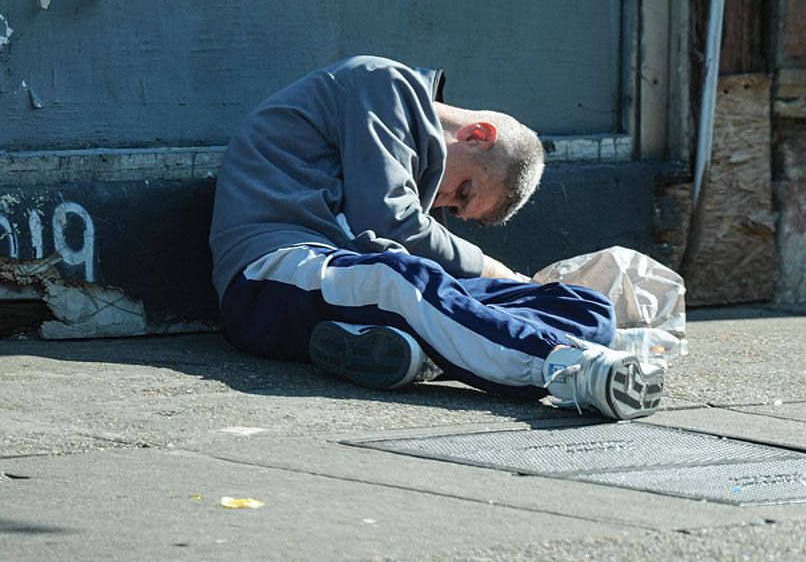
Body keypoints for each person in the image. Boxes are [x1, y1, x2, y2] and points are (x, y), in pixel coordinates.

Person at [208, 55, 663, 419]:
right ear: (477, 135)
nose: (442, 202)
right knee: (402, 275)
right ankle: (566, 368)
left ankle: (421, 354)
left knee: (580, 306)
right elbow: (389, 224)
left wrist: (521, 289)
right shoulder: (382, 83)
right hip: (272, 278)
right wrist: (499, 271)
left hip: (349, 286)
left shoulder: (421, 158)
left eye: (453, 207)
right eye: (463, 191)